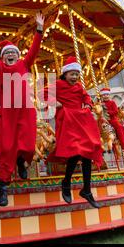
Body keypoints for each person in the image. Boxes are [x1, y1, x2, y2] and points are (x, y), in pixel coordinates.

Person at [0, 12, 45, 207]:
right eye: (7, 54)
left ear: (18, 55)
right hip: (6, 113)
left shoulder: (24, 64)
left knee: (29, 145)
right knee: (6, 149)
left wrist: (39, 29)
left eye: (13, 53)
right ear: (3, 57)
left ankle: (22, 161)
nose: (11, 55)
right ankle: (3, 187)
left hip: (25, 111)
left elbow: (34, 50)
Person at [44, 57, 103, 208]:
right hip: (67, 121)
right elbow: (42, 93)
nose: (75, 77)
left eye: (77, 74)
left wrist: (89, 105)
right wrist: (55, 103)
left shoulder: (78, 87)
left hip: (80, 121)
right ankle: (67, 182)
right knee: (76, 153)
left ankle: (86, 189)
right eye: (72, 74)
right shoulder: (58, 84)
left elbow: (86, 96)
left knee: (87, 153)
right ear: (65, 74)